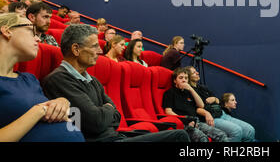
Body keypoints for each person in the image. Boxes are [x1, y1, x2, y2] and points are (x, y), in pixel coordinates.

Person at [41, 24, 189, 142]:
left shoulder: (92, 80)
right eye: (94, 46)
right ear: (76, 49)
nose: (99, 50)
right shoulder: (59, 80)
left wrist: (106, 111)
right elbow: (96, 122)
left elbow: (117, 117)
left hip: (116, 136)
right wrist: (108, 109)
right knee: (178, 137)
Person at [0, 13, 84, 142]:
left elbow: (67, 118)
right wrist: (38, 111)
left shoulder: (30, 79)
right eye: (31, 31)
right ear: (7, 31)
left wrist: (62, 102)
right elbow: (42, 109)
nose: (38, 39)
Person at [187, 66, 255, 142]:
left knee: (250, 130)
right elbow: (193, 109)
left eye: (196, 71)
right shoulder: (189, 91)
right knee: (237, 131)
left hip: (221, 113)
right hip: (210, 118)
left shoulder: (203, 87)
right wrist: (206, 113)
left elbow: (219, 101)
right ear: (188, 76)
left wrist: (215, 99)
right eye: (194, 72)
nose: (197, 73)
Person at [163, 67, 229, 142]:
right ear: (175, 80)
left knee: (221, 135)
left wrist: (191, 89)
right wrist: (185, 120)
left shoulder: (189, 92)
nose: (184, 80)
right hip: (183, 123)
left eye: (186, 78)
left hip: (196, 121)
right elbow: (168, 111)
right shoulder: (170, 93)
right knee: (203, 139)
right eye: (181, 78)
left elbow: (201, 105)